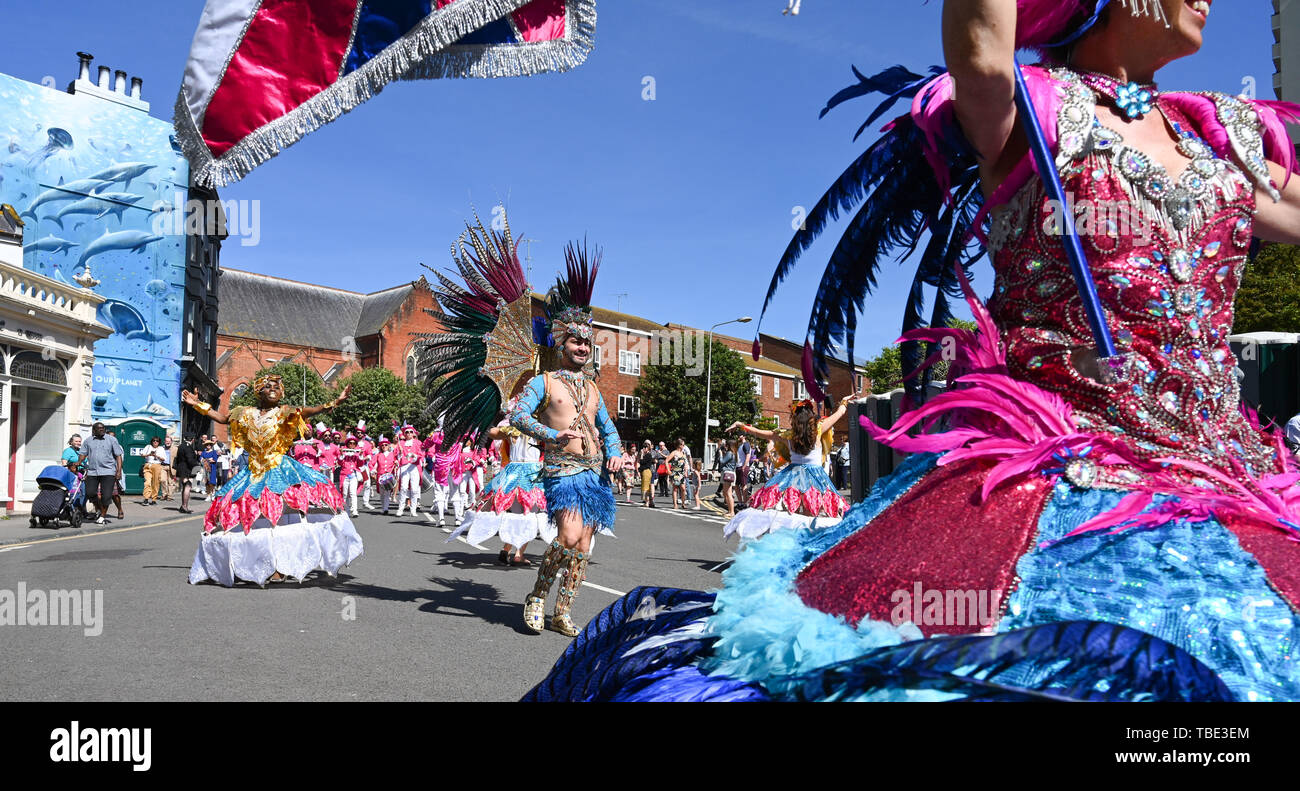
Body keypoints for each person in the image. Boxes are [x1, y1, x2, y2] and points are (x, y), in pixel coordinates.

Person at [526, 1, 1300, 702]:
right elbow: (982, 51)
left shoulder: (1219, 136)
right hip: (1055, 469)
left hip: (1230, 481)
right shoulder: (1039, 106)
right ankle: (550, 595)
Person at [510, 243, 622, 637]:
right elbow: (518, 417)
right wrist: (553, 434)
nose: (582, 347)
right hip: (562, 470)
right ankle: (537, 597)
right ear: (562, 343)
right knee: (568, 536)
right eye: (575, 341)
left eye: (587, 343)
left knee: (583, 546)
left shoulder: (593, 388)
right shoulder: (544, 382)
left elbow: (608, 428)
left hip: (595, 476)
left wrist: (617, 453)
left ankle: (563, 610)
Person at [183, 375, 361, 586]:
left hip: (279, 470)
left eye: (277, 387)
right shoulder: (244, 413)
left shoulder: (284, 412)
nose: (273, 389)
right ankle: (245, 564)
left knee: (276, 519)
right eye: (268, 387)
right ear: (259, 392)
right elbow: (222, 419)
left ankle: (279, 566)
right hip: (252, 473)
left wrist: (334, 402)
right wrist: (197, 405)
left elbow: (309, 411)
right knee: (244, 517)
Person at [723, 394, 858, 540]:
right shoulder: (818, 430)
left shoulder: (788, 435)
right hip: (816, 478)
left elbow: (760, 433)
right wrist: (844, 401)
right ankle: (808, 544)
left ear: (794, 418)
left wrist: (740, 425)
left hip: (792, 477)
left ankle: (794, 542)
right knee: (812, 513)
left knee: (793, 513)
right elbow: (840, 413)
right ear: (811, 417)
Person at [450, 411, 550, 566]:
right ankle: (518, 554)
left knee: (517, 513)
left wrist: (477, 418)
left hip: (512, 472)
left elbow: (492, 432)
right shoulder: (541, 430)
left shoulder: (511, 429)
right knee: (529, 515)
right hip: (533, 475)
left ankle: (506, 549)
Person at [77, 423, 122, 525]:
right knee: (90, 493)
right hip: (92, 471)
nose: (101, 430)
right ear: (93, 430)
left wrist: (118, 471)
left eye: (103, 428)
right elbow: (83, 453)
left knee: (106, 496)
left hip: (108, 471)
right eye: (99, 428)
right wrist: (79, 461)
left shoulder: (112, 440)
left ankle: (102, 516)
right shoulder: (88, 441)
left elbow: (118, 456)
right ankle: (100, 510)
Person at [394, 425, 426, 518]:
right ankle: (400, 508)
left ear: (413, 433)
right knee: (403, 488)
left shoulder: (418, 442)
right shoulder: (401, 443)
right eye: (407, 432)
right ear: (404, 433)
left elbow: (421, 454)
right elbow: (396, 455)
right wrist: (399, 452)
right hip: (404, 466)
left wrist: (414, 456)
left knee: (415, 489)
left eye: (411, 432)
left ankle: (413, 509)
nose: (409, 434)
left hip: (414, 467)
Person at [172, 435, 202, 514]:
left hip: (181, 468)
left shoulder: (181, 446)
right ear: (192, 440)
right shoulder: (188, 447)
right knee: (188, 486)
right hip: (187, 469)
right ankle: (185, 507)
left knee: (185, 486)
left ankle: (183, 506)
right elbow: (190, 459)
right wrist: (197, 466)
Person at [369, 436, 398, 515]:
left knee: (387, 492)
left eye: (386, 445)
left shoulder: (392, 454)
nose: (384, 446)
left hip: (389, 476)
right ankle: (383, 507)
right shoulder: (378, 455)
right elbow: (371, 463)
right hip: (380, 476)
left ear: (389, 446)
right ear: (381, 447)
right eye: (383, 445)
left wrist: (396, 463)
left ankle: (386, 508)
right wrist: (373, 470)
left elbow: (397, 462)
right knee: (382, 493)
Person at [338, 435, 364, 517]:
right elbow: (340, 463)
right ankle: (345, 510)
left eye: (353, 443)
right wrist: (342, 454)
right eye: (350, 443)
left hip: (353, 475)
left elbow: (360, 464)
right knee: (345, 494)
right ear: (347, 444)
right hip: (344, 475)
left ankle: (355, 511)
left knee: (353, 493)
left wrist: (360, 456)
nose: (352, 445)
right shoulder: (344, 453)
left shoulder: (357, 454)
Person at [139, 435, 166, 506]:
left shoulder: (161, 449)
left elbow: (163, 459)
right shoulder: (148, 447)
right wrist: (149, 454)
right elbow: (142, 454)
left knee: (156, 483)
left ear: (159, 442)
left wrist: (156, 456)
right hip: (148, 465)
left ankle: (154, 499)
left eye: (157, 441)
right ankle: (146, 499)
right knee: (147, 482)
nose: (155, 442)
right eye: (154, 441)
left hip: (157, 465)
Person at [714, 438, 737, 517]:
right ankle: (730, 510)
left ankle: (732, 511)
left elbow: (722, 461)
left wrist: (720, 455)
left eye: (726, 445)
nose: (725, 446)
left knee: (728, 493)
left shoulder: (730, 453)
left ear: (729, 445)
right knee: (725, 493)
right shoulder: (734, 453)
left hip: (727, 473)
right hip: (730, 473)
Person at [666, 438, 689, 509]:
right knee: (675, 488)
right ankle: (675, 504)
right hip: (675, 472)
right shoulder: (674, 452)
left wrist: (686, 471)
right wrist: (668, 470)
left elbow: (685, 463)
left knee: (683, 489)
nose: (684, 446)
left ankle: (683, 503)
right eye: (683, 445)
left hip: (682, 473)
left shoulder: (683, 453)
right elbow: (666, 461)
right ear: (679, 445)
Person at [637, 440, 656, 508]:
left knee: (646, 487)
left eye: (645, 448)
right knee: (648, 487)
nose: (643, 449)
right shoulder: (647, 455)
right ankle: (650, 502)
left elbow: (642, 462)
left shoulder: (648, 455)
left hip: (646, 471)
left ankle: (647, 502)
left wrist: (642, 455)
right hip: (646, 471)